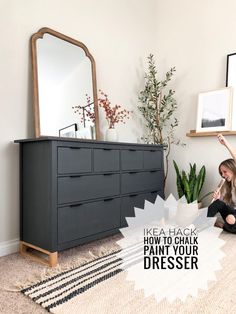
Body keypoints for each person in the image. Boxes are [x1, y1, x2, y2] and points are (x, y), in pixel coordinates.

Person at [207, 133, 236, 233]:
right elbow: (227, 206)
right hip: (231, 215)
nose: (223, 175)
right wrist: (218, 199)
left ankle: (223, 226)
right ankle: (197, 225)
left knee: (231, 219)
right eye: (221, 173)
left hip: (233, 218)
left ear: (233, 169)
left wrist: (226, 144)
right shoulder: (227, 185)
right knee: (218, 203)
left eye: (225, 172)